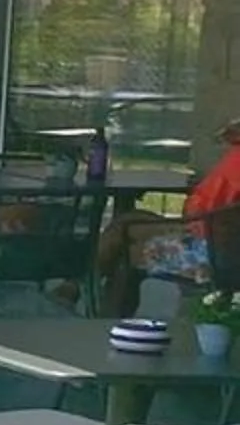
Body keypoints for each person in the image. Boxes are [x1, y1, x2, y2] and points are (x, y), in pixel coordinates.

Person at [97, 117, 240, 312]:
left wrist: (188, 224)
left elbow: (215, 210)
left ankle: (86, 292)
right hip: (212, 234)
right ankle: (78, 286)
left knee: (125, 245)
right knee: (128, 220)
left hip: (212, 247)